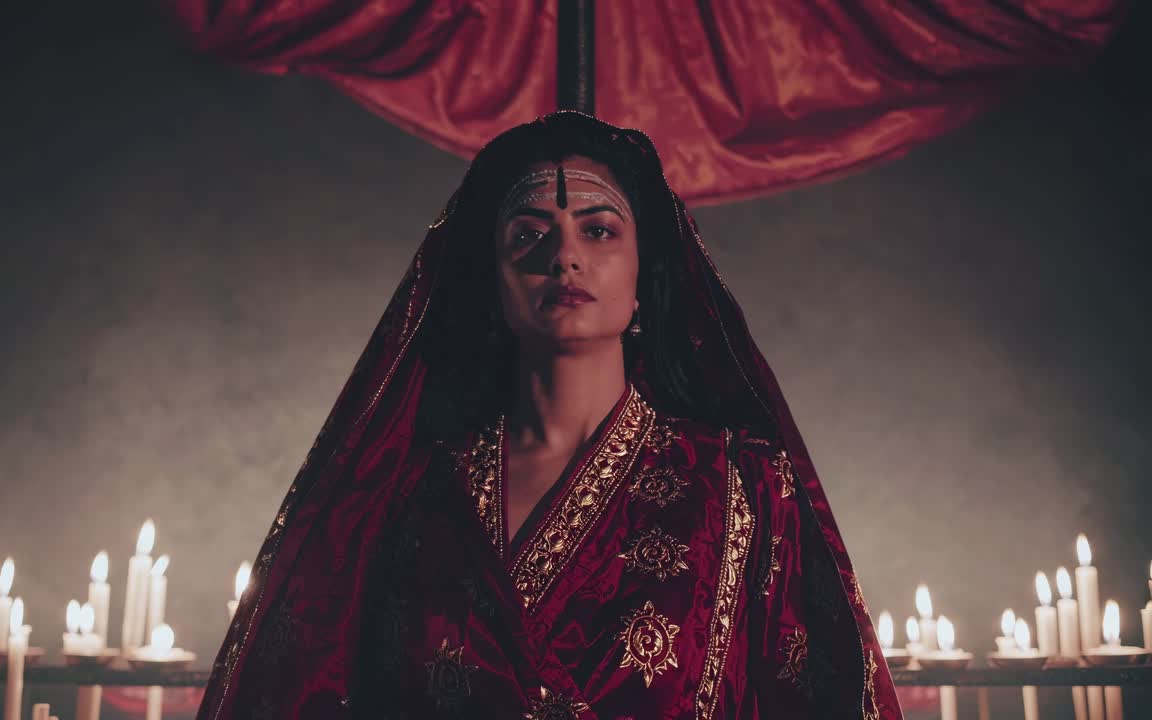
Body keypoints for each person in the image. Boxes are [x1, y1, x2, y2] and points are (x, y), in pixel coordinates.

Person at [196, 112, 902, 720]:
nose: (564, 257)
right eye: (529, 236)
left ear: (641, 282)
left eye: (598, 232)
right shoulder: (411, 492)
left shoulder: (747, 485)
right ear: (491, 285)